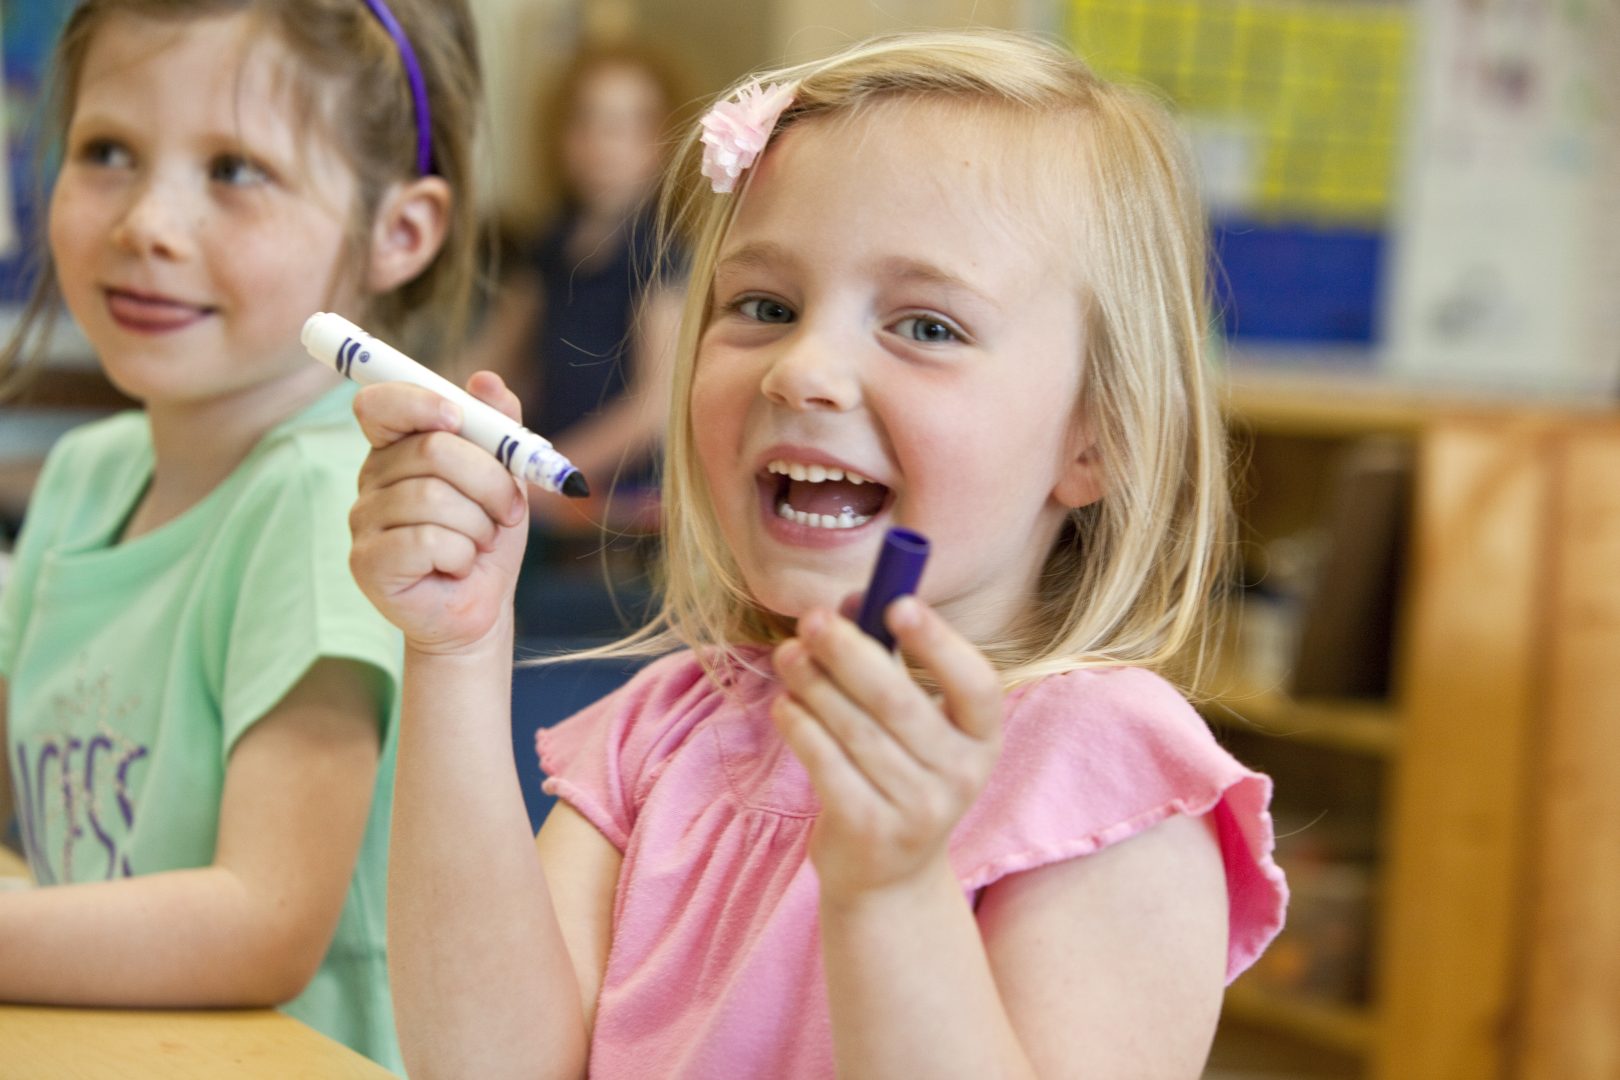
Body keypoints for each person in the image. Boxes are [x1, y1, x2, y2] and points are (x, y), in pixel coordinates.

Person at [349, 28, 1288, 1078]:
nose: (804, 370)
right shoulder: (664, 733)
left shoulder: (1106, 778)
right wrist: (456, 654)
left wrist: (892, 896)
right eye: (764, 307)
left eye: (927, 326)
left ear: (1097, 436)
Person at [0, 0, 482, 1070]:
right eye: (108, 150)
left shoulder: (322, 501)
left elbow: (261, 921)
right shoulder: (87, 477)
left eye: (235, 170)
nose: (148, 225)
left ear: (399, 232)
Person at [462, 42, 685, 523]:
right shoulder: (550, 245)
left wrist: (550, 467)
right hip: (546, 472)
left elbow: (652, 411)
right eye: (586, 122)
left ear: (661, 143)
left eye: (625, 128)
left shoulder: (661, 253)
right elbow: (495, 354)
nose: (603, 143)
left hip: (621, 497)